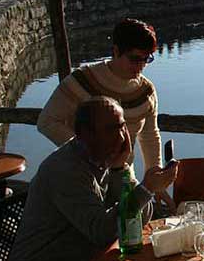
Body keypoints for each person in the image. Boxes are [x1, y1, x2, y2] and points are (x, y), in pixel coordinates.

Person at [8, 97, 179, 261]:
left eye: (122, 126)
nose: (121, 136)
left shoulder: (107, 158)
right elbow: (103, 232)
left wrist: (120, 170)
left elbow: (140, 219)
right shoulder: (66, 170)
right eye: (110, 129)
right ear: (85, 135)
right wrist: (146, 188)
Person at [37, 18, 173, 207]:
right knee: (101, 229)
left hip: (124, 175)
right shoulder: (81, 81)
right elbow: (47, 121)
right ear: (116, 51)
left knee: (129, 227)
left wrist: (154, 180)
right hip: (83, 177)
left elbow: (149, 135)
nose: (141, 65)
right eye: (135, 59)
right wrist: (91, 153)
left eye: (147, 58)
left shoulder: (146, 91)